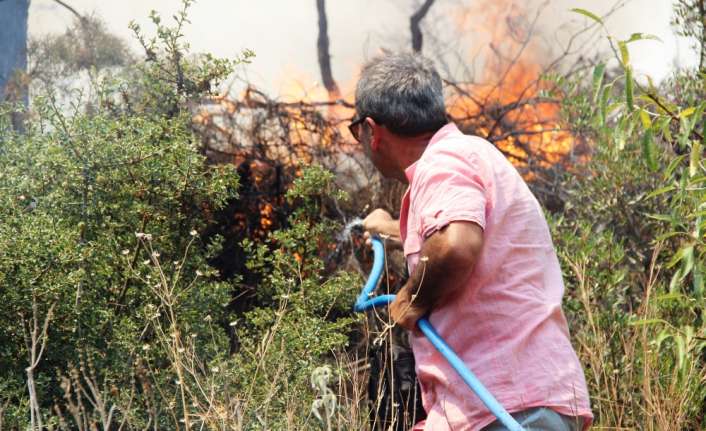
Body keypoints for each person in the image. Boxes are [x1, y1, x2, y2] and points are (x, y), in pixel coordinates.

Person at [352, 52, 593, 431]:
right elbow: (462, 238)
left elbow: (455, 245)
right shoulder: (470, 154)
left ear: (372, 130)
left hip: (503, 404)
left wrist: (410, 300)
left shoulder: (442, 164)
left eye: (357, 132)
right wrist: (393, 232)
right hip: (526, 399)